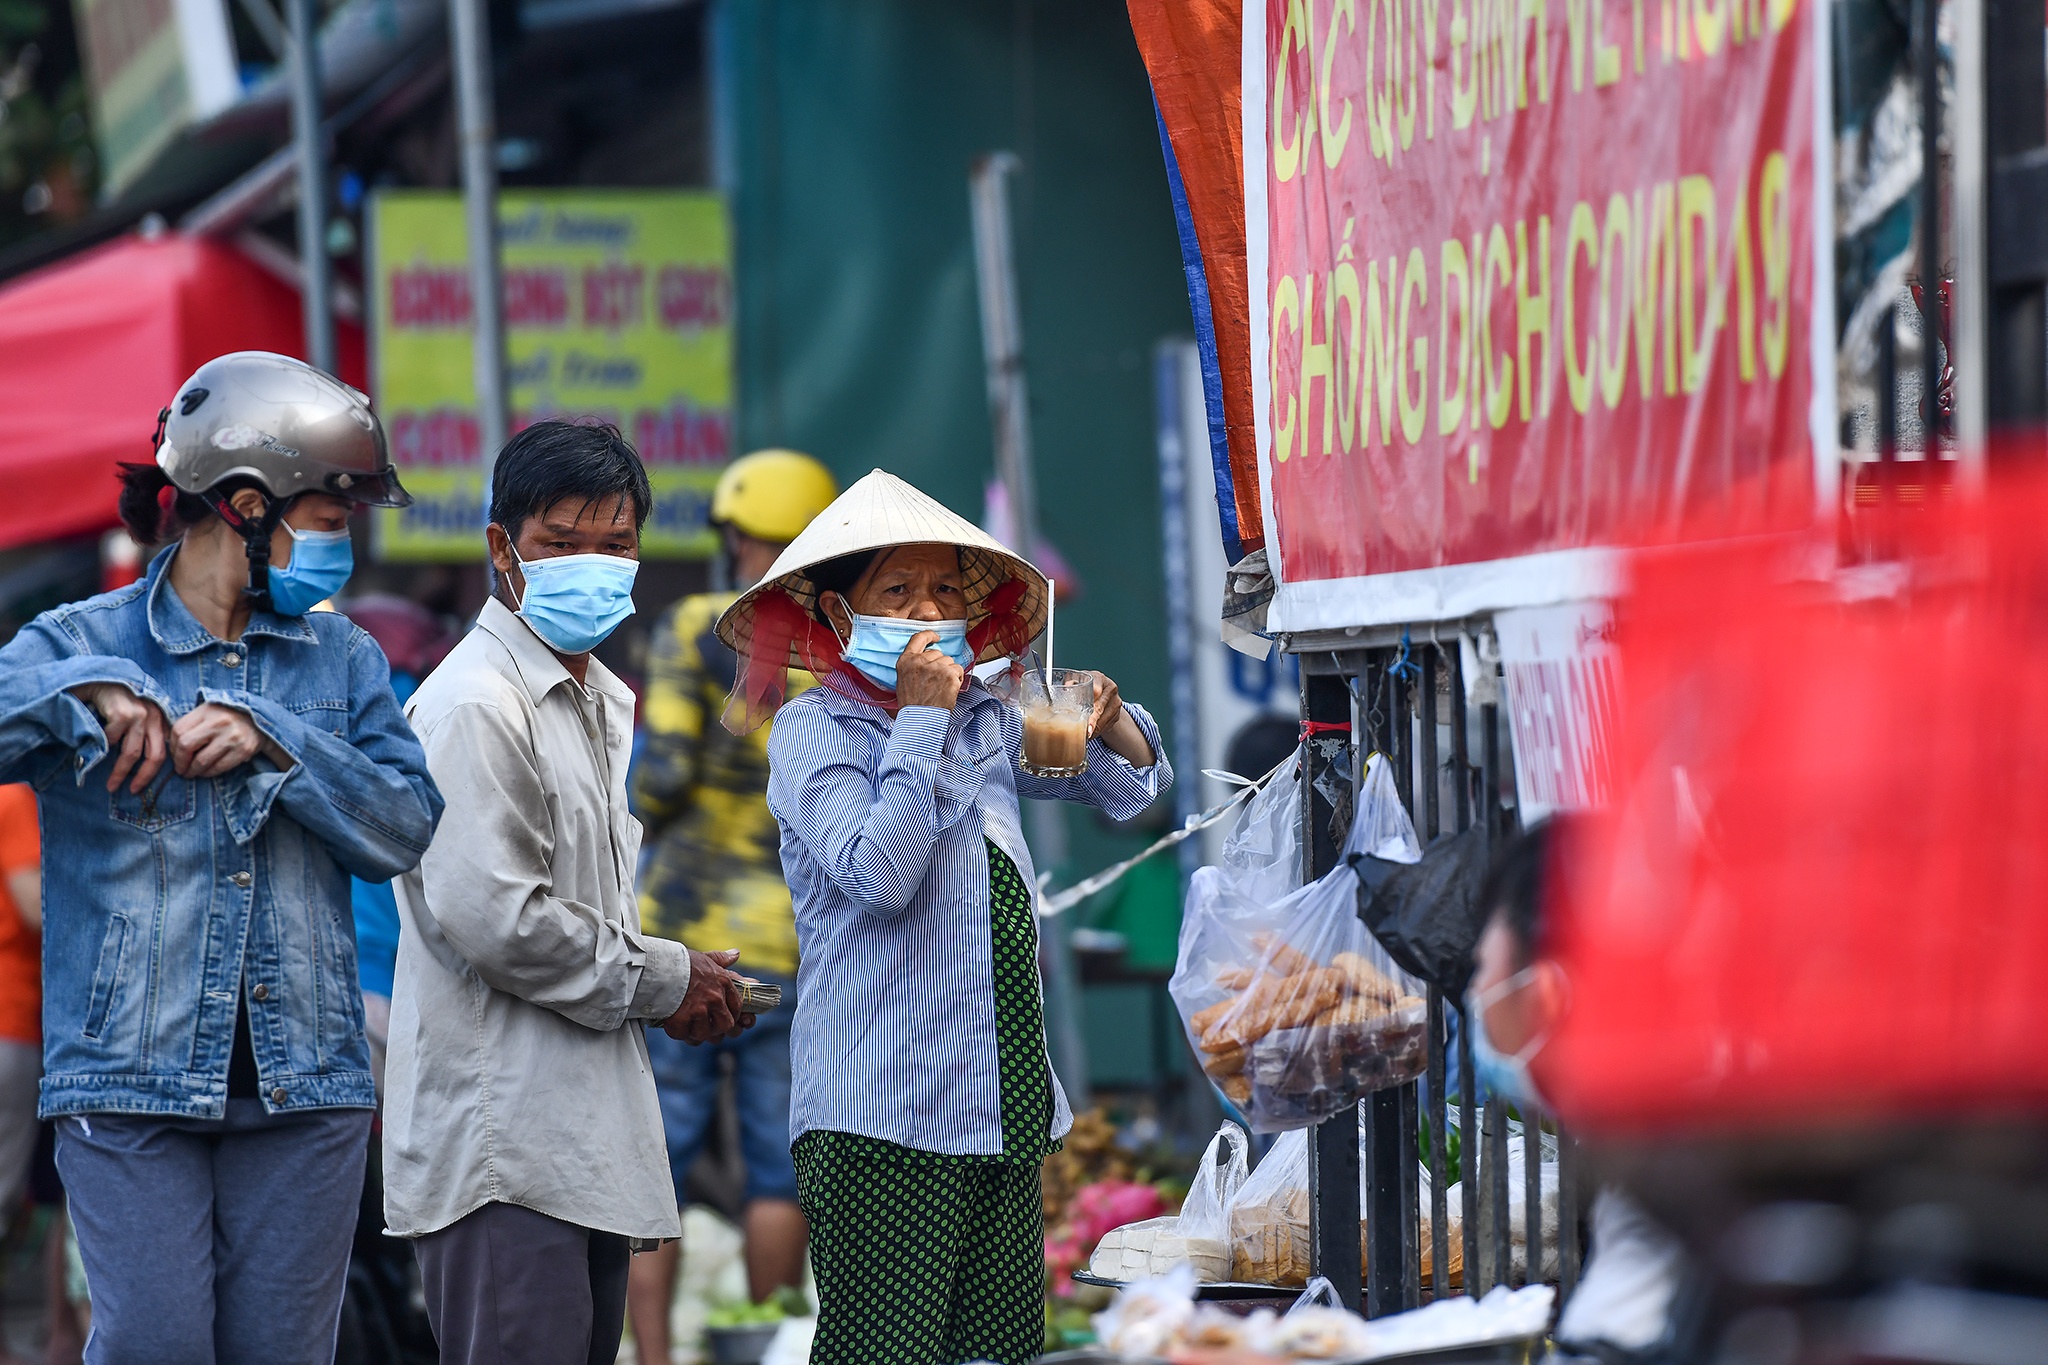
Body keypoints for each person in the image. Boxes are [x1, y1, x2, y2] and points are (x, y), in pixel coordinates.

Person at [0, 351, 442, 1363]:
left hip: (308, 1094)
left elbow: (404, 827)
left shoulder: (344, 659)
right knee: (156, 1348)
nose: (342, 550)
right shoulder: (76, 640)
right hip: (126, 1088)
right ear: (247, 504)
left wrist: (279, 745)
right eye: (329, 522)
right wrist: (91, 694)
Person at [719, 469, 1173, 1365]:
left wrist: (1113, 719)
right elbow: (880, 875)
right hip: (885, 1115)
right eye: (898, 590)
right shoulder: (820, 730)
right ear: (844, 621)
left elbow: (1132, 792)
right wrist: (920, 720)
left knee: (996, 1352)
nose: (928, 609)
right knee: (890, 1351)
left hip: (1000, 1101)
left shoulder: (986, 715)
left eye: (944, 590)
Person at [383, 420, 755, 1365]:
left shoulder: (597, 698)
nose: (593, 565)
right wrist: (667, 979)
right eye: (561, 543)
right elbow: (494, 917)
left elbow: (580, 908)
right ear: (502, 548)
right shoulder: (476, 702)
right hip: (505, 1148)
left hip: (576, 1137)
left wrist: (674, 978)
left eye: (615, 544)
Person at [627, 449, 838, 1360]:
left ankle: (656, 1357)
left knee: (650, 1165)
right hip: (786, 945)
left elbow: (658, 782)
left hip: (676, 943)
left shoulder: (690, 627)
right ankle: (771, 1346)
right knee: (776, 1164)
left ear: (739, 537)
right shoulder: (835, 655)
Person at [1467, 820, 1695, 1360]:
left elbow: (1622, 1334)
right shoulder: (1639, 1136)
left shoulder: (1683, 1150)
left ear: (1546, 985)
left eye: (1482, 967)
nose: (1476, 990)